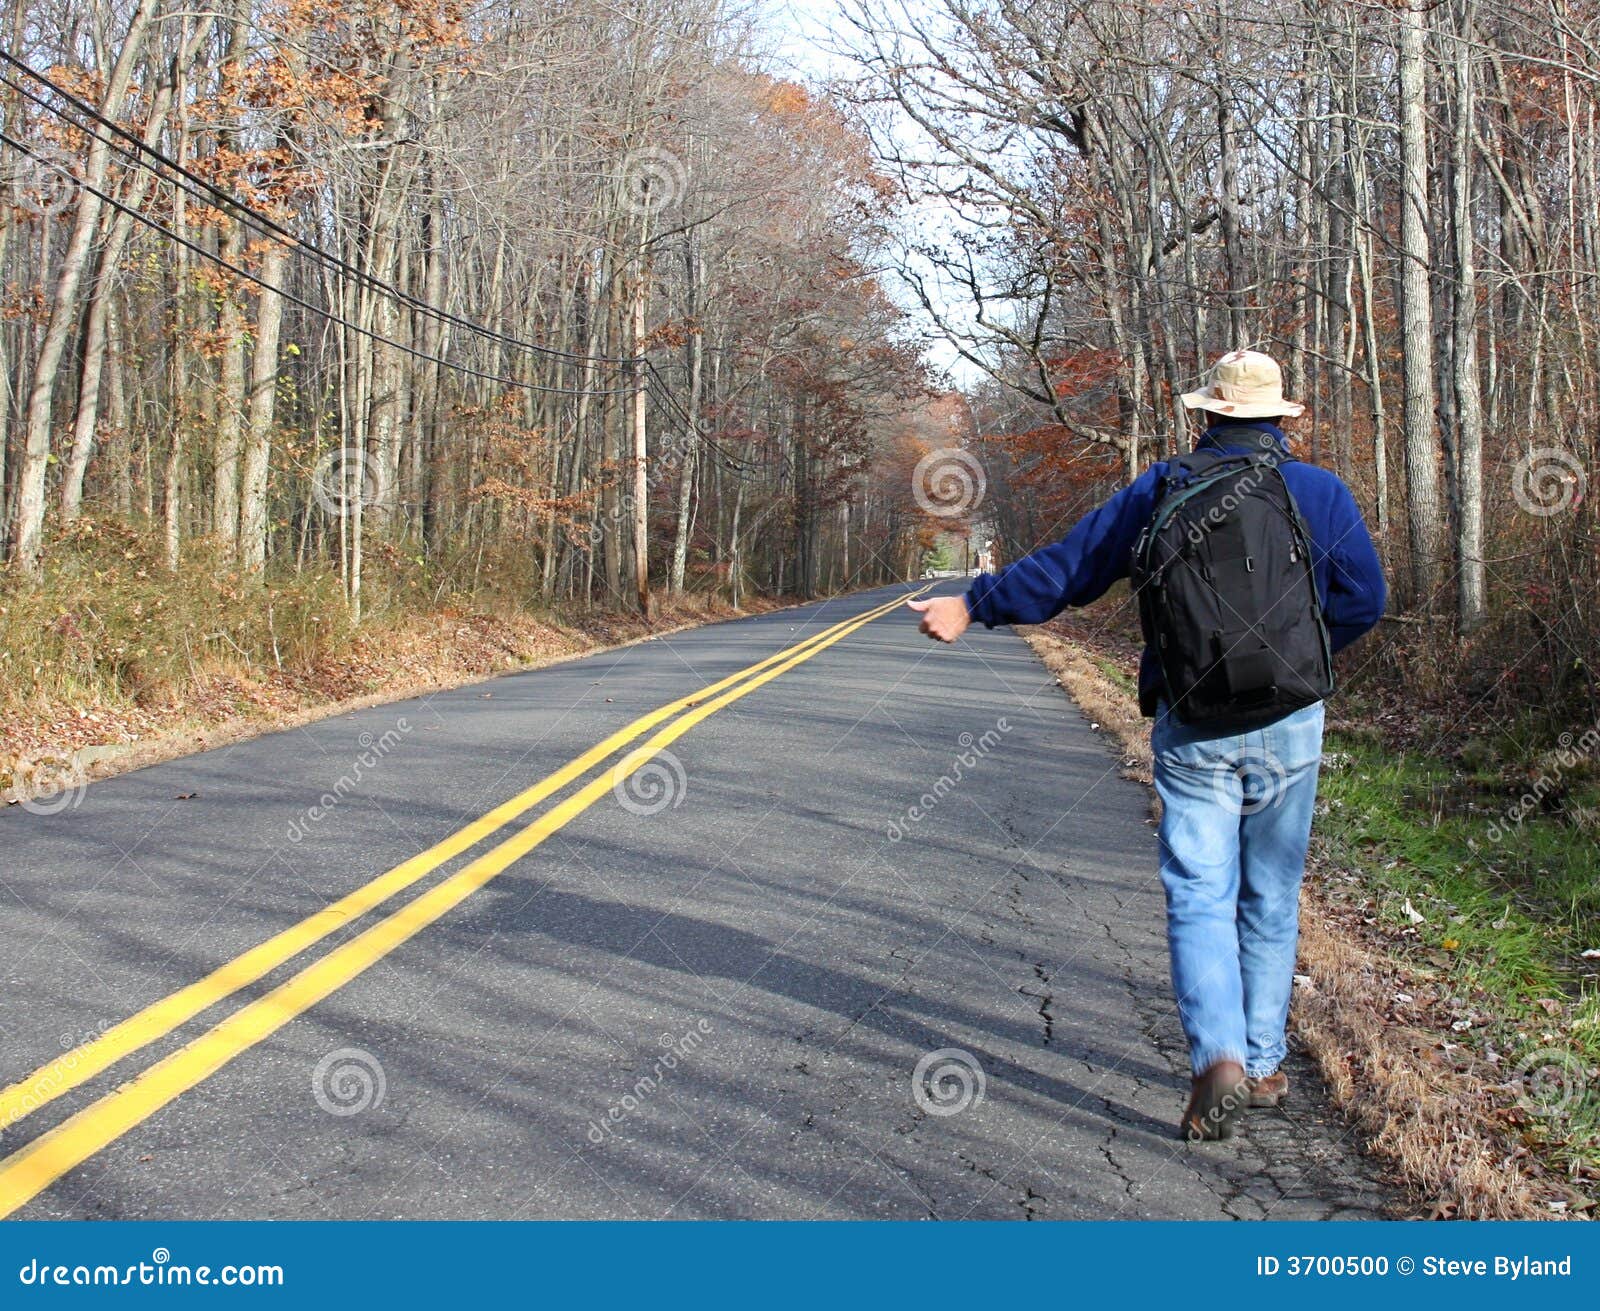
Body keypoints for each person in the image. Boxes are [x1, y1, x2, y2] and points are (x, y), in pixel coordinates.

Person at [909, 350, 1386, 1142]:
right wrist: (1300, 658)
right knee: (1269, 893)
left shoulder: (1161, 489)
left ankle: (1220, 1057)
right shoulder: (1318, 493)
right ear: (1279, 418)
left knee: (1201, 891)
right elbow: (1364, 600)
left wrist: (974, 604)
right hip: (1290, 724)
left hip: (1193, 716)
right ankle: (1265, 1064)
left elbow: (1071, 568)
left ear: (1208, 416)